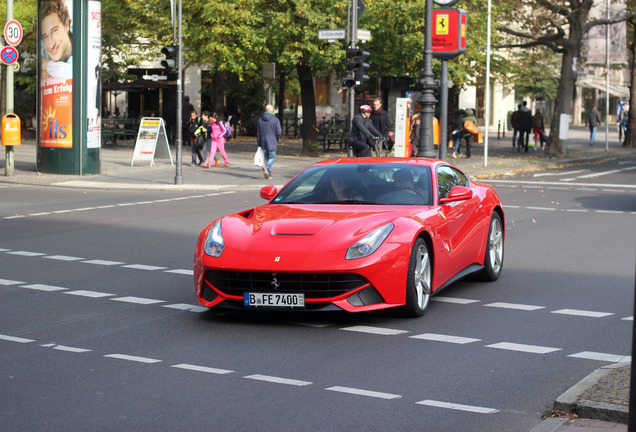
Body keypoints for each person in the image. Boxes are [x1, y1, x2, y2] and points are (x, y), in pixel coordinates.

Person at [40, 0, 73, 81]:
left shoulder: (84, 41)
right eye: (45, 37)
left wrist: (47, 65)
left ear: (66, 24)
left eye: (54, 30)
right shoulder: (42, 47)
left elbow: (76, 74)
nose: (51, 45)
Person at [257, 104, 282, 179]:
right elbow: (279, 132)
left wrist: (259, 143)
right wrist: (276, 138)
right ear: (272, 111)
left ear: (265, 110)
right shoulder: (275, 120)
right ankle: (267, 168)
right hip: (272, 141)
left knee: (266, 158)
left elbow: (258, 133)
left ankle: (269, 173)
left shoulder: (260, 120)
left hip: (263, 142)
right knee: (272, 157)